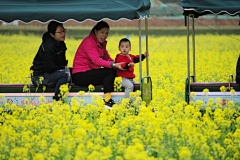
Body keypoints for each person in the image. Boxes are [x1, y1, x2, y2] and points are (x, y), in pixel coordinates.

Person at [72, 21, 124, 108]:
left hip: (90, 72)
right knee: (109, 72)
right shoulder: (88, 41)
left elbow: (107, 58)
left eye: (106, 33)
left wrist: (119, 65)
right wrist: (113, 65)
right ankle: (107, 100)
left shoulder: (101, 44)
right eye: (102, 32)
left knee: (113, 71)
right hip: (80, 75)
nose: (104, 35)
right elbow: (96, 60)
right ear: (95, 31)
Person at [30, 21, 71, 101]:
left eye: (64, 30)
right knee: (65, 74)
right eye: (60, 32)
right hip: (39, 77)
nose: (63, 33)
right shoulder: (49, 46)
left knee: (73, 71)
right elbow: (49, 67)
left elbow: (61, 63)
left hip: (50, 73)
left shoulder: (60, 43)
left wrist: (64, 67)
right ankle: (57, 100)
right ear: (52, 35)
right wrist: (63, 67)